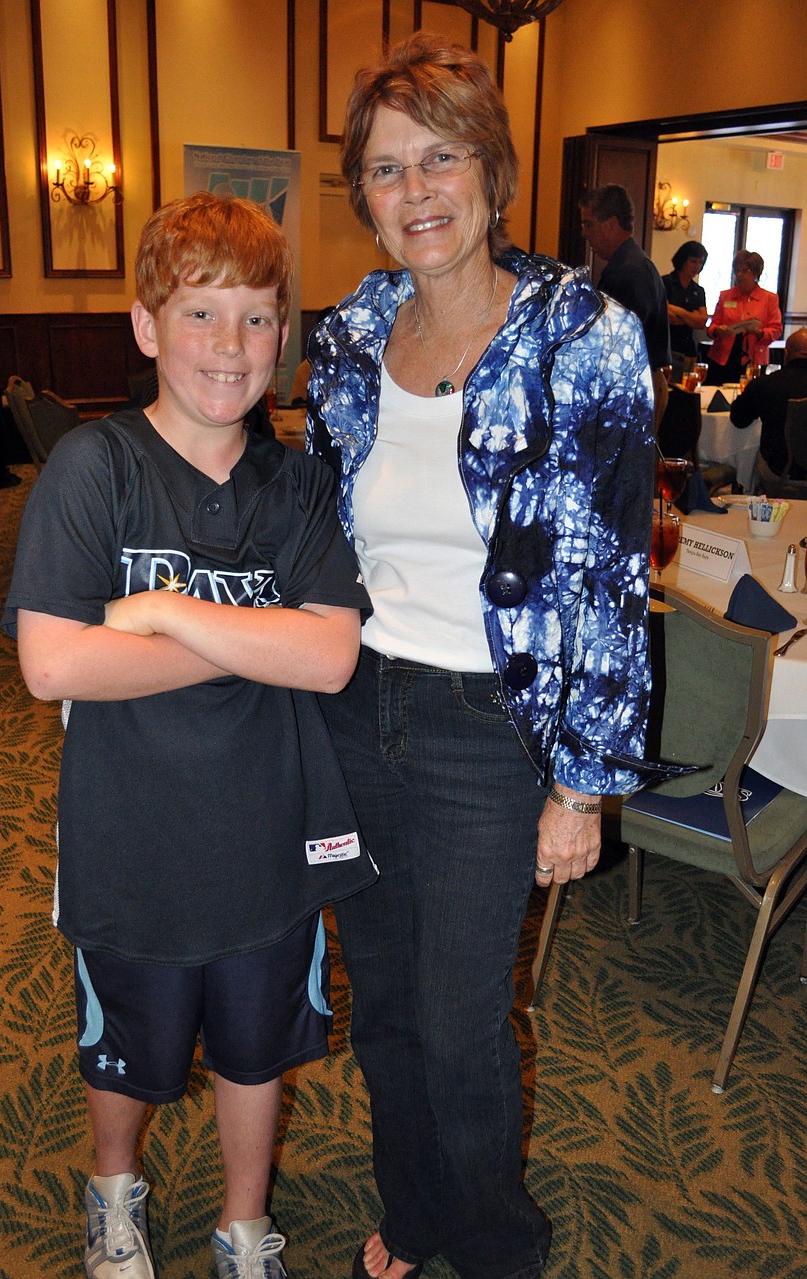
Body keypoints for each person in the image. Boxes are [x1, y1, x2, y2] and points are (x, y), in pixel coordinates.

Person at [306, 33, 669, 1279]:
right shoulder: (352, 331)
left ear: (492, 172)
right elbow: (321, 529)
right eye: (387, 169)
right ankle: (417, 1217)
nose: (415, 193)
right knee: (386, 1010)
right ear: (361, 193)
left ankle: (498, 1249)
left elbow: (613, 573)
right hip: (359, 710)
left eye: (440, 159)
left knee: (462, 1026)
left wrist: (582, 783)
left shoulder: (584, 333)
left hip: (486, 732)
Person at [2, 192, 376, 1279]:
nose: (231, 346)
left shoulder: (297, 485)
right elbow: (55, 663)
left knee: (258, 1051)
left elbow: (332, 657)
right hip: (131, 838)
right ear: (147, 326)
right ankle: (114, 1192)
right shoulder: (94, 469)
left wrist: (165, 612)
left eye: (259, 318)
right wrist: (263, 636)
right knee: (128, 1048)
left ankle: (240, 1223)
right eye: (203, 315)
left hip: (270, 836)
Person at [579, 182, 671, 425]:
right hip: (637, 383)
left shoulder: (628, 271)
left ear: (610, 224)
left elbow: (620, 343)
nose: (584, 232)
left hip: (633, 387)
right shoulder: (632, 263)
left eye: (589, 224)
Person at [730, 326, 807, 482]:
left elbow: (739, 420)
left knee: (753, 453)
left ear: (785, 355)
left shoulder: (765, 384)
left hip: (780, 471)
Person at [706, 249, 782, 384]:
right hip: (723, 357)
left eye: (744, 271)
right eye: (737, 271)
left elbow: (776, 329)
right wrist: (718, 330)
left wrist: (759, 332)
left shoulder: (769, 298)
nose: (739, 275)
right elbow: (712, 326)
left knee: (750, 399)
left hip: (754, 358)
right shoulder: (725, 296)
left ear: (755, 273)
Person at [662, 239, 708, 382]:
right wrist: (691, 317)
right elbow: (667, 315)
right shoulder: (665, 283)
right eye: (693, 262)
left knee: (686, 395)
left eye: (700, 263)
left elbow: (701, 322)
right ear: (683, 260)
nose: (697, 267)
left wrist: (678, 311)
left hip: (689, 351)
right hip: (668, 349)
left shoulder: (698, 290)